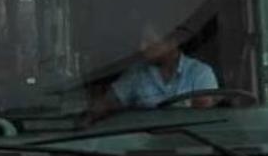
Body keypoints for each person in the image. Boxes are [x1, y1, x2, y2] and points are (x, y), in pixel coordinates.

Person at [88, 23, 218, 120]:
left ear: (172, 42)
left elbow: (204, 120)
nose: (142, 47)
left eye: (149, 41)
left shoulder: (200, 74)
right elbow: (108, 103)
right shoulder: (137, 73)